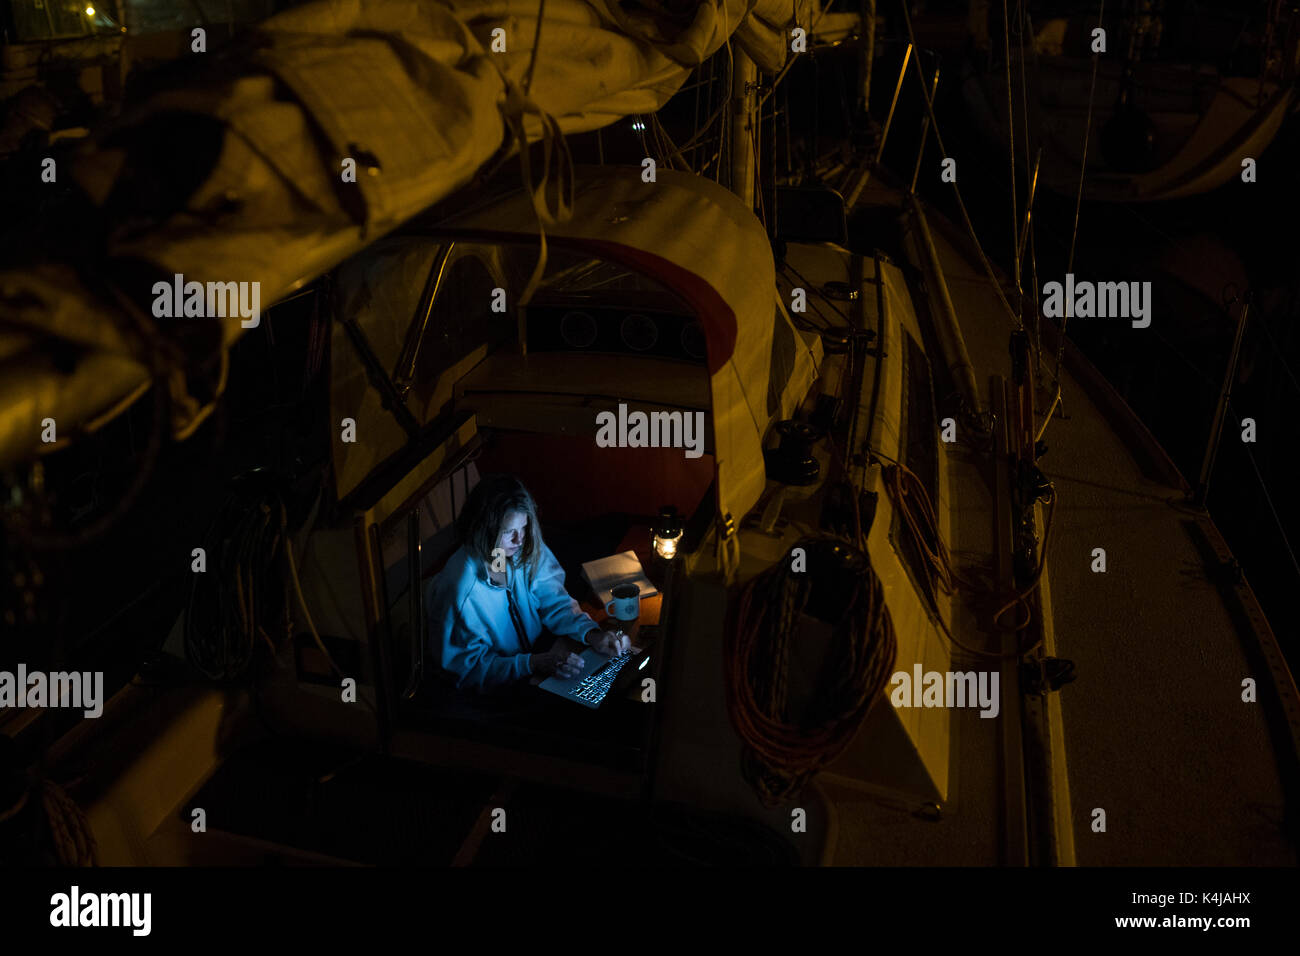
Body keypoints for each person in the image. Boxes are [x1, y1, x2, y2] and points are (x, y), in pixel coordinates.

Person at [426, 473, 632, 699]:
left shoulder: (522, 547)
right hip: (495, 689)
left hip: (535, 659)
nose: (519, 539)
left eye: (524, 527)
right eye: (509, 532)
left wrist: (591, 633)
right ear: (482, 529)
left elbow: (555, 600)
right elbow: (467, 672)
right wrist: (531, 664)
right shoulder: (461, 591)